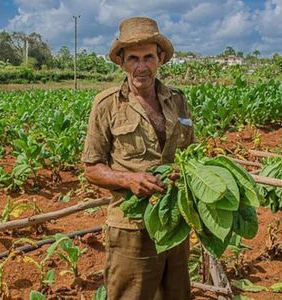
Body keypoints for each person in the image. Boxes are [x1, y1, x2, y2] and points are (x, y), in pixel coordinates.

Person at [82, 16, 195, 300]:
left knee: (176, 294)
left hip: (175, 222)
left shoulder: (178, 100)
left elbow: (191, 153)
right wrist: (129, 179)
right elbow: (92, 169)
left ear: (160, 59)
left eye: (148, 57)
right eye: (133, 58)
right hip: (131, 225)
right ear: (121, 61)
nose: (141, 67)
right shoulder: (107, 105)